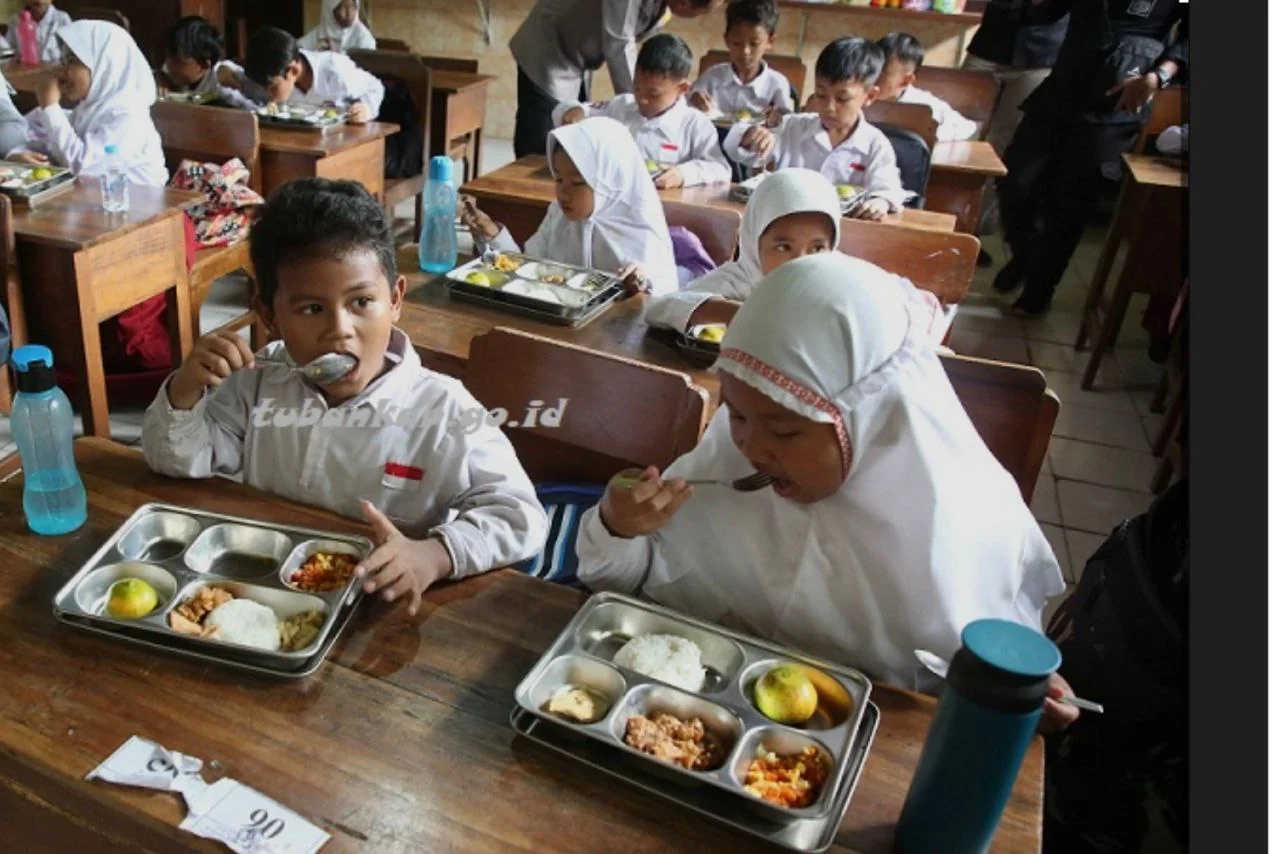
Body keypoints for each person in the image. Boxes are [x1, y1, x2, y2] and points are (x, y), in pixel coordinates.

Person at [576, 253, 1077, 727]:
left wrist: (1017, 698)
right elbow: (630, 593)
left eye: (785, 430)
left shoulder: (961, 524)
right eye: (737, 414)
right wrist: (618, 529)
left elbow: (975, 687)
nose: (750, 446)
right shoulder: (727, 461)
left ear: (870, 419)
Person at [142, 179, 548, 615]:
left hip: (381, 604)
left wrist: (435, 554)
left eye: (361, 302)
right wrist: (185, 391)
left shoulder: (445, 410)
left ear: (394, 301)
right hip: (266, 589)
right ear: (270, 317)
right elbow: (177, 460)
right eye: (311, 309)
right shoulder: (260, 380)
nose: (339, 329)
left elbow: (520, 516)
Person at [994, 0, 1187, 317]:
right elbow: (1045, 13)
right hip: (1062, 88)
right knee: (1015, 179)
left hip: (1121, 96)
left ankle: (1040, 290)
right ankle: (1027, 253)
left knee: (1070, 203)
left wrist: (1158, 77)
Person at [646, 167, 952, 340]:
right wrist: (743, 313)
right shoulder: (739, 281)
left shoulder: (843, 280)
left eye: (817, 248)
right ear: (754, 242)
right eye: (783, 247)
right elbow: (660, 309)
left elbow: (918, 310)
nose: (801, 262)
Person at [460, 117, 679, 297]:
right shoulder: (558, 214)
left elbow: (661, 302)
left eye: (577, 183)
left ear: (609, 182)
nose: (563, 192)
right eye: (558, 179)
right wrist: (494, 235)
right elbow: (527, 269)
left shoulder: (640, 229)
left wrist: (641, 285)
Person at [509, 0, 724, 159]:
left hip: (577, 60)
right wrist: (639, 102)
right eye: (699, 10)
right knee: (544, 145)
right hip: (549, 50)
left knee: (573, 141)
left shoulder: (663, 7)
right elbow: (618, 43)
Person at [725, 37, 909, 221]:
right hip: (787, 222)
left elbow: (888, 189)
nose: (829, 107)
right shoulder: (793, 127)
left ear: (870, 96)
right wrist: (751, 135)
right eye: (821, 94)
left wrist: (880, 201)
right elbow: (737, 148)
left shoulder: (875, 144)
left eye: (842, 99)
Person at [961, 0, 1069, 262]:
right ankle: (943, 222)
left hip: (1041, 56)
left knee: (1000, 146)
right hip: (988, 49)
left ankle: (972, 232)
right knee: (961, 137)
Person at [554, 34, 730, 189]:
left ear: (682, 89)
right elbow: (576, 111)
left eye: (654, 94)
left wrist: (683, 174)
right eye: (637, 88)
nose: (642, 99)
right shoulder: (621, 106)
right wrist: (572, 112)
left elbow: (720, 168)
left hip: (667, 211)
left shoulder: (695, 124)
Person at [9, 20, 166, 185]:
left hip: (141, 207)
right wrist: (18, 154)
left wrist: (50, 108)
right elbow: (56, 147)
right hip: (96, 203)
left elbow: (82, 167)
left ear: (104, 66)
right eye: (63, 61)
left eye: (72, 61)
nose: (62, 72)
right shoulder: (89, 109)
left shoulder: (129, 117)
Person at [242, 27, 384, 124]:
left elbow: (375, 87)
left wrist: (366, 108)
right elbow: (233, 74)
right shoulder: (274, 73)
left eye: (272, 88)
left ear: (293, 71)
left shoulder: (335, 72)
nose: (268, 95)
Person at [688, 0, 791, 118]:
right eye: (737, 43)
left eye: (754, 44)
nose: (745, 51)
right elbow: (686, 110)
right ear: (726, 40)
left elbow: (785, 126)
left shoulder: (777, 85)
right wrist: (694, 103)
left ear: (770, 41)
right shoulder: (712, 78)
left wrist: (774, 122)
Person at [875, 32, 978, 142]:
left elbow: (968, 128)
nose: (871, 80)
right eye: (869, 72)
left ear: (906, 80)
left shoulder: (922, 103)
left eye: (881, 74)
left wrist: (932, 134)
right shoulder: (861, 96)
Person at [160, 16, 262, 110]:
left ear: (204, 65)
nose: (168, 65)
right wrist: (160, 79)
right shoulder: (170, 74)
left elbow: (257, 107)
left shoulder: (226, 78)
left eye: (178, 62)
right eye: (167, 56)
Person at [0, 0, 72, 63]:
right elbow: (8, 52)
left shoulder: (62, 19)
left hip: (55, 72)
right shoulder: (15, 21)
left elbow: (71, 54)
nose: (39, 1)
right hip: (26, 72)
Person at [300, 0, 376, 53]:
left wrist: (337, 53)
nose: (349, 13)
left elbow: (363, 66)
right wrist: (313, 53)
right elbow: (297, 49)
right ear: (330, 9)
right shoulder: (320, 32)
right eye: (343, 7)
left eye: (352, 6)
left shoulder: (363, 36)